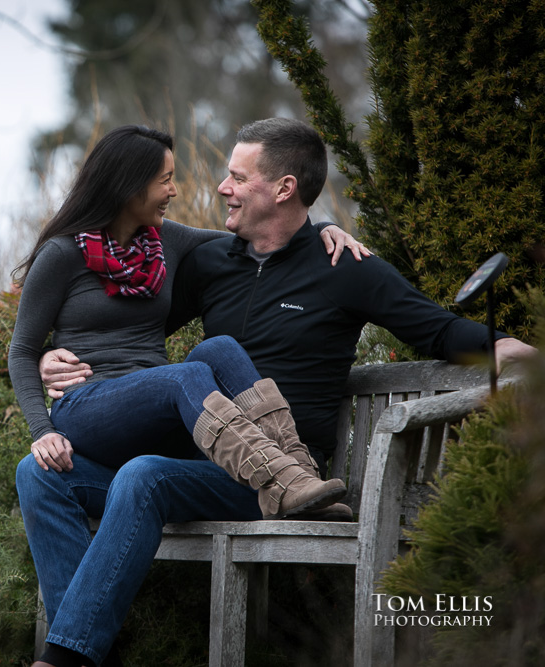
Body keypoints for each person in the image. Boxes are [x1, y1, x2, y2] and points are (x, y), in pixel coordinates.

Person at [29, 118, 537, 667]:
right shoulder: (211, 262)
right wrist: (47, 357)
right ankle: (82, 641)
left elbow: (437, 329)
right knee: (41, 473)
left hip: (289, 477)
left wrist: (509, 347)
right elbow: (129, 327)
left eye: (237, 177)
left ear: (283, 188)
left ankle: (65, 660)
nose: (220, 188)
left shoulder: (342, 265)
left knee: (144, 474)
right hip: (207, 461)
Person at [9, 124, 368, 667]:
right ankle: (283, 478)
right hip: (88, 408)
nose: (174, 190)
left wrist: (325, 227)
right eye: (165, 180)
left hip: (150, 413)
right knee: (175, 380)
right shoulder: (62, 255)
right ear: (130, 186)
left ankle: (75, 653)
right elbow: (20, 349)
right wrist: (43, 427)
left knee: (216, 349)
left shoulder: (168, 243)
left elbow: (262, 233)